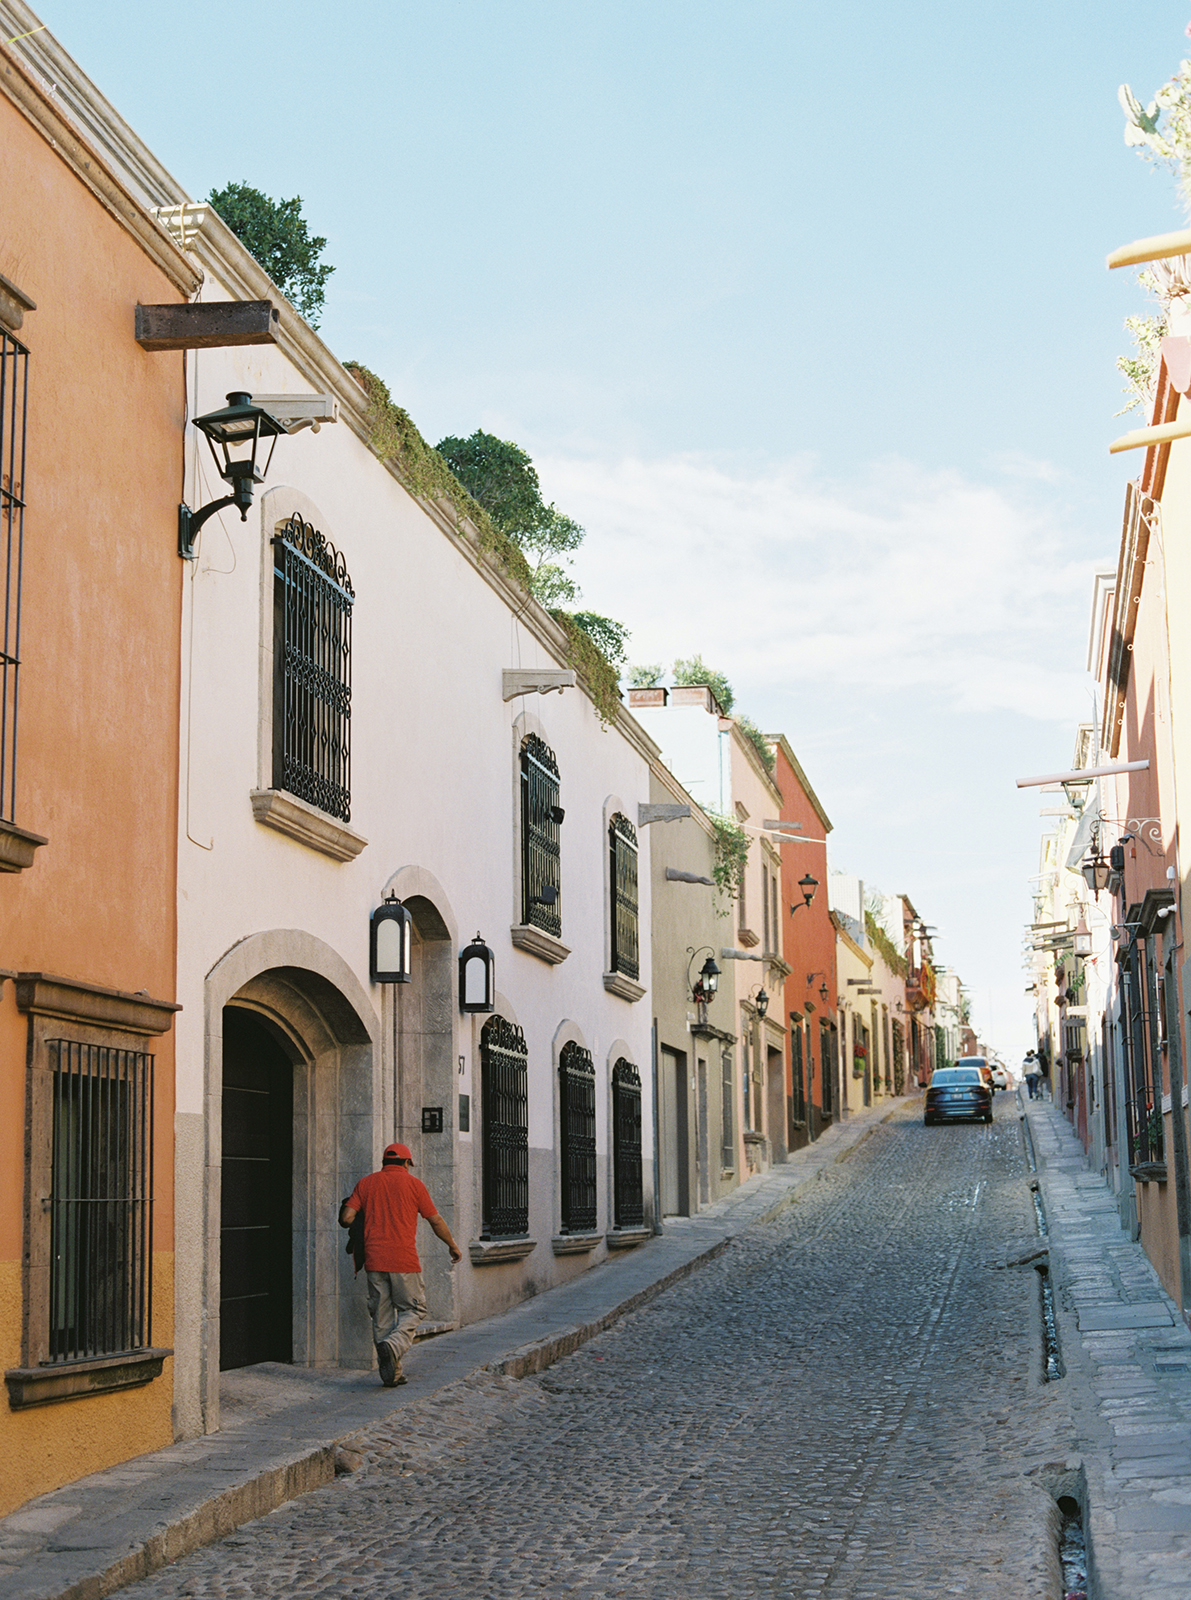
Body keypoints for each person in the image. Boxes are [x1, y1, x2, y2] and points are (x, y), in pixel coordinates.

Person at [339, 1143, 462, 1387]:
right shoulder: (414, 1185)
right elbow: (435, 1221)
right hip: (404, 1260)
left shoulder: (366, 1184)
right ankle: (394, 1345)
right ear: (406, 1163)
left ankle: (392, 1375)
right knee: (415, 1310)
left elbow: (346, 1218)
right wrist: (452, 1245)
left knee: (381, 1317)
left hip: (374, 1260)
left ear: (385, 1162)